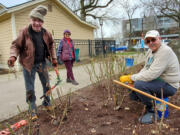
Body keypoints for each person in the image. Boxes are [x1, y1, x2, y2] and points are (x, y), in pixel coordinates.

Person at [7, 5, 58, 121]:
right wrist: (13, 57)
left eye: (39, 21)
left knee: (47, 85)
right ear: (31, 20)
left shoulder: (46, 33)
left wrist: (54, 58)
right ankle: (32, 110)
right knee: (30, 89)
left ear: (42, 22)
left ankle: (46, 103)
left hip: (42, 64)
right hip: (28, 65)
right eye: (35, 20)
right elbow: (16, 45)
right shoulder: (24, 32)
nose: (37, 23)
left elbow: (51, 45)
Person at [120, 30, 180, 124]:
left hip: (170, 85)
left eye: (153, 39)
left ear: (159, 39)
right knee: (134, 84)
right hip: (159, 81)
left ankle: (152, 111)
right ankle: (145, 99)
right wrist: (133, 79)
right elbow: (146, 69)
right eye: (148, 41)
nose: (151, 43)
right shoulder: (150, 51)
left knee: (139, 85)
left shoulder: (165, 51)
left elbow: (152, 74)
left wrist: (132, 77)